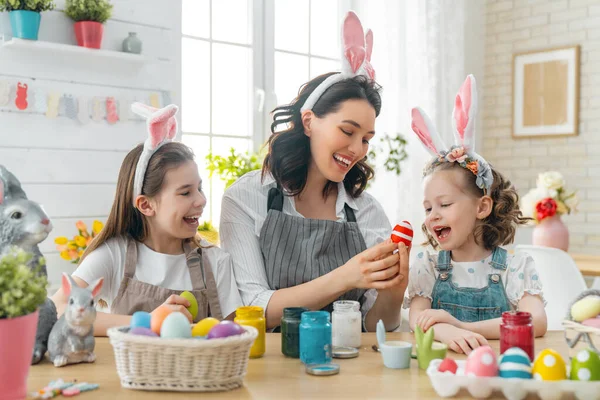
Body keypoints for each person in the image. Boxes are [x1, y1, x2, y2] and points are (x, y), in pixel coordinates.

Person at [220, 11, 408, 331]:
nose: (357, 149)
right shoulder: (246, 197)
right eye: (347, 131)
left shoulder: (366, 211)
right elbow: (253, 309)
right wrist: (346, 277)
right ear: (309, 122)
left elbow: (378, 325)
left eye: (365, 139)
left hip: (348, 366)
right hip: (275, 366)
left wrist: (394, 289)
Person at [50, 103, 242, 336]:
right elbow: (57, 310)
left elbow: (233, 336)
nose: (201, 200)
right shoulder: (115, 255)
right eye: (185, 192)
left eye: (199, 188)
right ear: (146, 205)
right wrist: (147, 322)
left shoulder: (215, 262)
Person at [406, 75, 547, 354]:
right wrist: (442, 329)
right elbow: (416, 319)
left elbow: (536, 322)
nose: (433, 215)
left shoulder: (515, 267)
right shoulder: (428, 266)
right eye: (427, 208)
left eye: (444, 205)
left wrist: (460, 326)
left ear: (482, 207)